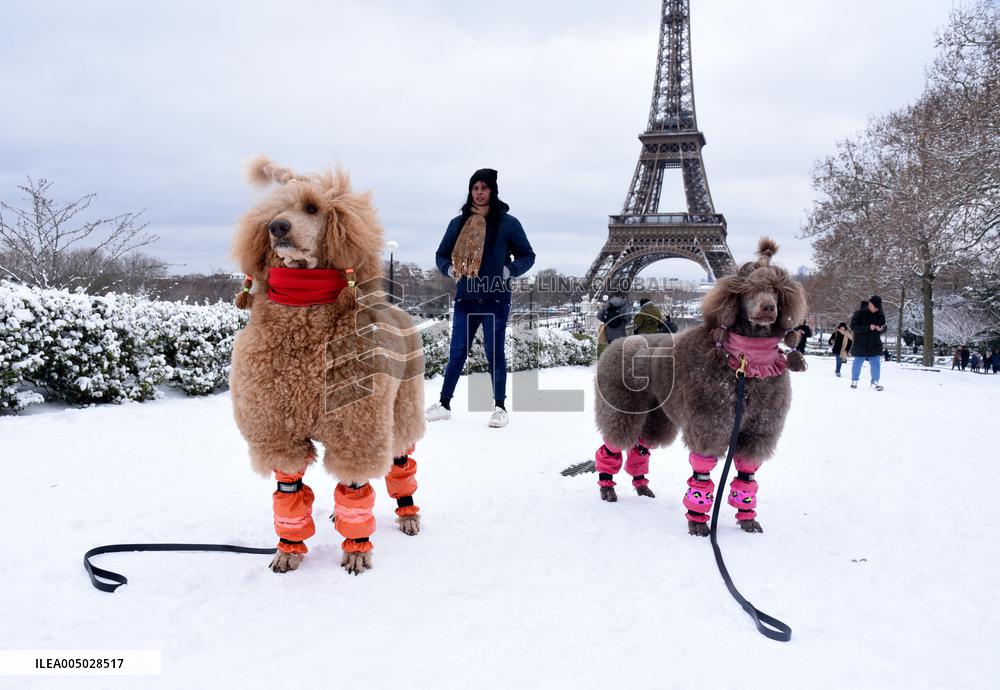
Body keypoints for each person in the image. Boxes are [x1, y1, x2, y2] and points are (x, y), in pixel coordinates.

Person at [425, 168, 535, 428]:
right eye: (475, 188)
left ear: (492, 191)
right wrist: (449, 270)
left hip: (496, 298)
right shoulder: (458, 223)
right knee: (457, 352)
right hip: (466, 298)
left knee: (494, 352)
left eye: (484, 187)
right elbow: (441, 254)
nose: (479, 192)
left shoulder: (508, 223)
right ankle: (444, 404)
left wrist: (509, 270)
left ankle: (500, 408)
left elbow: (527, 255)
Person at [849, 295, 886, 391]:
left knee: (876, 364)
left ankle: (875, 382)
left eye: (877, 308)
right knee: (857, 363)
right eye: (874, 307)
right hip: (860, 344)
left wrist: (881, 329)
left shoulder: (880, 315)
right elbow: (853, 327)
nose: (876, 309)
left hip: (874, 344)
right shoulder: (859, 313)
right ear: (870, 304)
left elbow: (884, 326)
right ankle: (854, 381)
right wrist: (868, 327)